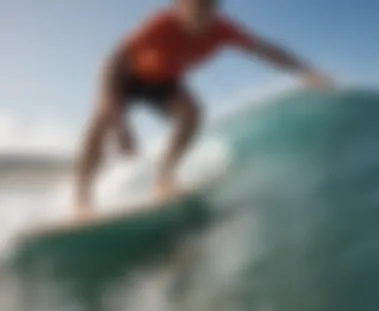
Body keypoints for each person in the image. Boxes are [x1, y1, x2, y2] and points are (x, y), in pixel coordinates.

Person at [74, 0, 331, 215]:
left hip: (164, 82)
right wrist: (121, 125)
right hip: (127, 76)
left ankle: (164, 177)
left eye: (207, 9)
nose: (199, 17)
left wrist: (305, 71)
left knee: (191, 114)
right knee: (102, 120)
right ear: (180, 6)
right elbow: (112, 64)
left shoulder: (223, 30)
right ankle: (82, 197)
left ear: (216, 9)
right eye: (192, 8)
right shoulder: (161, 24)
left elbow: (266, 50)